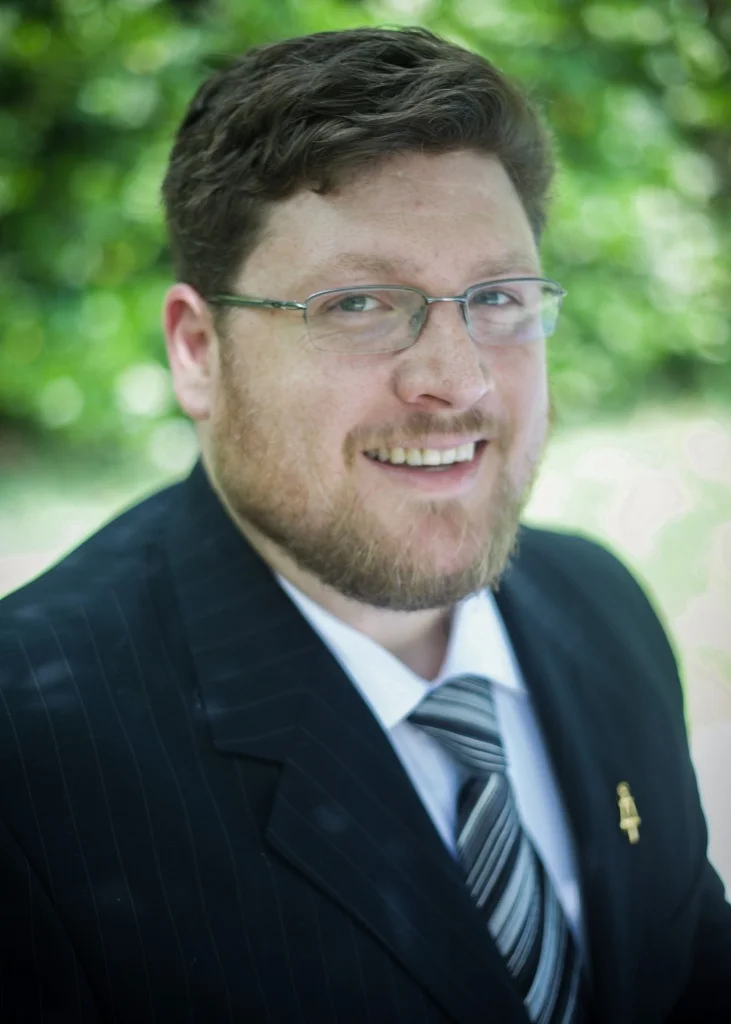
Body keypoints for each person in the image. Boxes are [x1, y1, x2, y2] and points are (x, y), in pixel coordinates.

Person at [0, 25, 729, 1024]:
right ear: (198, 351)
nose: (456, 377)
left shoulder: (599, 605)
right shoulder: (28, 762)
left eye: (499, 298)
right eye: (358, 303)